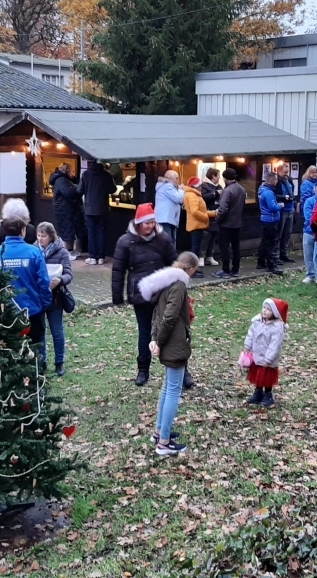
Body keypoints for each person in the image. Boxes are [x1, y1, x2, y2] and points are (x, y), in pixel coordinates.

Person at [139, 251, 200, 456]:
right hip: (174, 344)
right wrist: (159, 341)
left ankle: (159, 432)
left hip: (166, 341)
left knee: (167, 388)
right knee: (173, 391)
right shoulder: (179, 285)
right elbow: (169, 316)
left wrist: (155, 338)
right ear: (192, 269)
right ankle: (164, 443)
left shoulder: (166, 281)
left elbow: (157, 313)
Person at [111, 203, 178, 387]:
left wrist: (178, 290)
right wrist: (117, 297)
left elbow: (174, 264)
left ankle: (180, 369)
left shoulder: (163, 239)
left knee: (171, 330)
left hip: (163, 292)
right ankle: (143, 370)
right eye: (147, 222)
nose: (151, 226)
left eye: (153, 222)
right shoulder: (125, 242)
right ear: (139, 223)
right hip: (141, 294)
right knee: (145, 332)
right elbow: (118, 270)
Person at [0, 209, 53, 345]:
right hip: (32, 309)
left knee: (9, 348)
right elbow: (43, 281)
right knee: (36, 346)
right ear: (23, 231)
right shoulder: (34, 252)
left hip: (6, 312)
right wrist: (45, 303)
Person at [36, 221, 73, 376]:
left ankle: (59, 362)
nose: (40, 239)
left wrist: (60, 280)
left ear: (51, 236)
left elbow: (69, 274)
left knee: (56, 331)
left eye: (43, 236)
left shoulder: (61, 251)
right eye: (38, 235)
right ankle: (41, 362)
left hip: (55, 297)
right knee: (40, 332)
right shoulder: (34, 250)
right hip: (38, 297)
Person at [242, 298, 288, 408]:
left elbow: (274, 345)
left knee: (266, 376)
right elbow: (251, 334)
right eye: (264, 308)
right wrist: (247, 346)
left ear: (275, 312)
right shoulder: (257, 321)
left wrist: (268, 359)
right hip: (257, 353)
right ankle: (258, 392)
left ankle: (268, 394)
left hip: (268, 358)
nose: (264, 310)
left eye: (268, 309)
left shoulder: (277, 327)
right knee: (258, 374)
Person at [78, 161, 117, 265]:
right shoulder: (106, 174)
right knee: (101, 232)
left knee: (91, 233)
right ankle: (101, 257)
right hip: (103, 208)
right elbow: (113, 189)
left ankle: (92, 257)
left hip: (89, 209)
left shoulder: (86, 174)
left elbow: (80, 190)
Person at [213, 168, 245, 279]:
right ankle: (235, 270)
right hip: (237, 223)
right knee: (236, 247)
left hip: (226, 224)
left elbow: (223, 209)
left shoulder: (227, 191)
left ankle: (225, 270)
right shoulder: (241, 189)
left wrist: (218, 219)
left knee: (225, 247)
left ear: (225, 178)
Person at [50, 162, 85, 259]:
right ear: (67, 170)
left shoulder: (60, 179)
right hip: (65, 210)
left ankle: (70, 251)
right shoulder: (61, 180)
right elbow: (69, 193)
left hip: (64, 210)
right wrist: (79, 189)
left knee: (68, 231)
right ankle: (68, 252)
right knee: (68, 231)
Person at [183, 177, 214, 279]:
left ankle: (193, 268)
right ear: (196, 186)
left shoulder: (193, 194)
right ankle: (192, 269)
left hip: (196, 225)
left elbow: (200, 211)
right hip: (196, 225)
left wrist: (213, 213)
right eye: (200, 186)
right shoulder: (193, 195)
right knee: (195, 248)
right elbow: (195, 211)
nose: (201, 187)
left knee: (195, 247)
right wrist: (206, 217)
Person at [257, 171, 284, 275]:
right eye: (276, 179)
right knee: (271, 244)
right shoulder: (269, 193)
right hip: (271, 220)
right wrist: (280, 205)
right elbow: (273, 207)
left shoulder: (262, 190)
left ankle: (261, 262)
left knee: (264, 242)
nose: (277, 181)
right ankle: (271, 265)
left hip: (265, 219)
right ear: (272, 180)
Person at [198, 168, 222, 268]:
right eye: (218, 175)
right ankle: (201, 257)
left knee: (213, 236)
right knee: (206, 236)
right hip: (207, 214)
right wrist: (215, 193)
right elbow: (203, 197)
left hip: (217, 214)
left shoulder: (219, 186)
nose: (219, 178)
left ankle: (210, 256)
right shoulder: (204, 185)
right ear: (213, 176)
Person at [274, 163, 297, 263]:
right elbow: (274, 195)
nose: (286, 174)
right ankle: (275, 255)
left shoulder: (289, 180)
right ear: (279, 171)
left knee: (287, 233)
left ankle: (284, 254)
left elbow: (292, 191)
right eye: (284, 172)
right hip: (282, 210)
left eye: (287, 172)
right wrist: (285, 197)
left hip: (290, 209)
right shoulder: (276, 181)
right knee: (278, 234)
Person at [155, 169, 185, 244]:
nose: (178, 180)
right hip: (165, 219)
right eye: (176, 178)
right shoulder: (167, 186)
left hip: (168, 218)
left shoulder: (168, 187)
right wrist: (181, 190)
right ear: (171, 178)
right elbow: (178, 198)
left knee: (170, 240)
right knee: (167, 241)